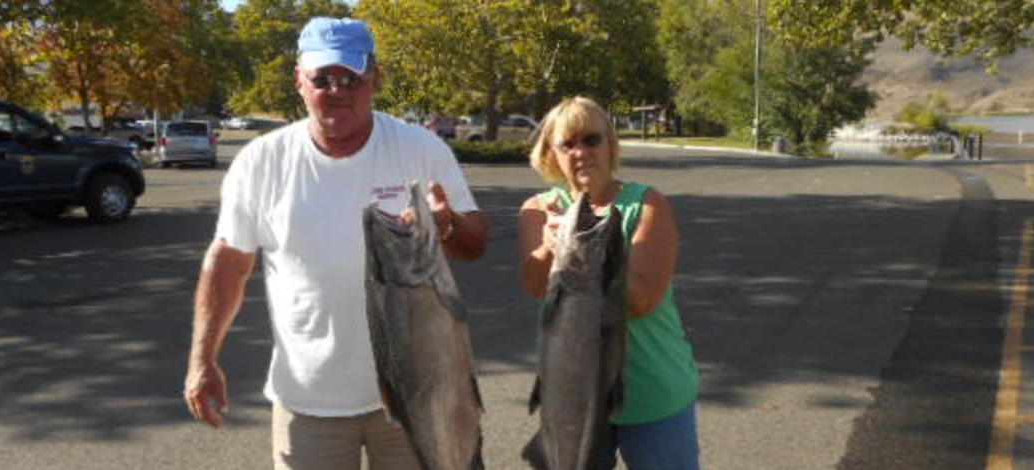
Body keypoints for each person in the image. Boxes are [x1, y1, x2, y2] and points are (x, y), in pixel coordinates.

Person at [183, 17, 489, 470]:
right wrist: (202, 360)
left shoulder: (420, 148)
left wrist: (447, 225)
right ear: (299, 82)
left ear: (375, 79)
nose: (337, 90)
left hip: (422, 391)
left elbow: (476, 241)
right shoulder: (262, 161)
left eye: (351, 77)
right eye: (322, 78)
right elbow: (228, 262)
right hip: (309, 399)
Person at [517, 96, 700, 469]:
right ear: (552, 153)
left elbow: (642, 300)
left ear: (611, 145)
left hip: (653, 392)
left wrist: (590, 253)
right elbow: (535, 285)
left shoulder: (648, 204)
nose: (581, 152)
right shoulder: (539, 209)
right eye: (568, 144)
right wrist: (551, 248)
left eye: (591, 140)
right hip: (570, 395)